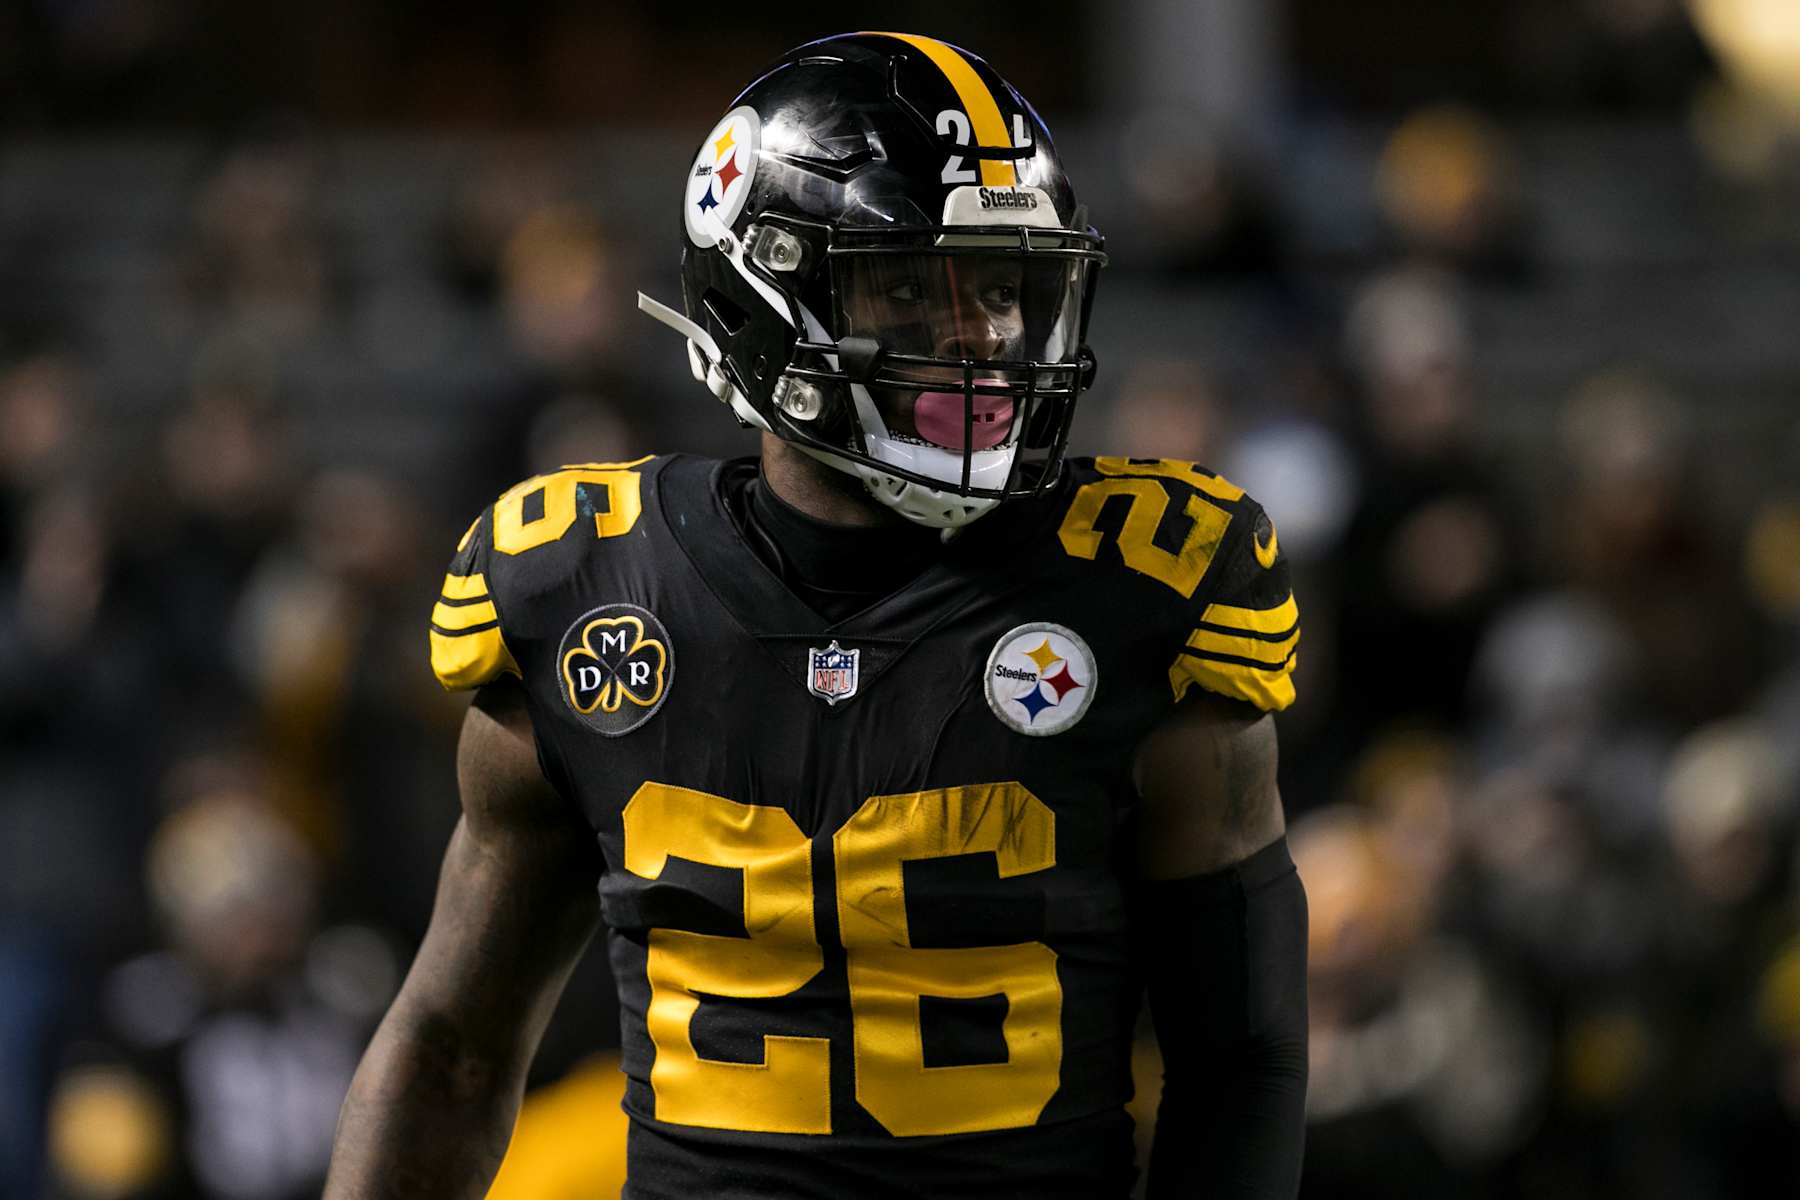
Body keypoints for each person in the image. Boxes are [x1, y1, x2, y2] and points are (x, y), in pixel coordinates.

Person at [324, 32, 1307, 1200]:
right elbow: (451, 1047)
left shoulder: (1146, 590)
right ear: (758, 292)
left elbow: (1241, 1059)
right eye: (907, 286)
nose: (982, 337)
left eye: (1001, 285)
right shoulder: (584, 589)